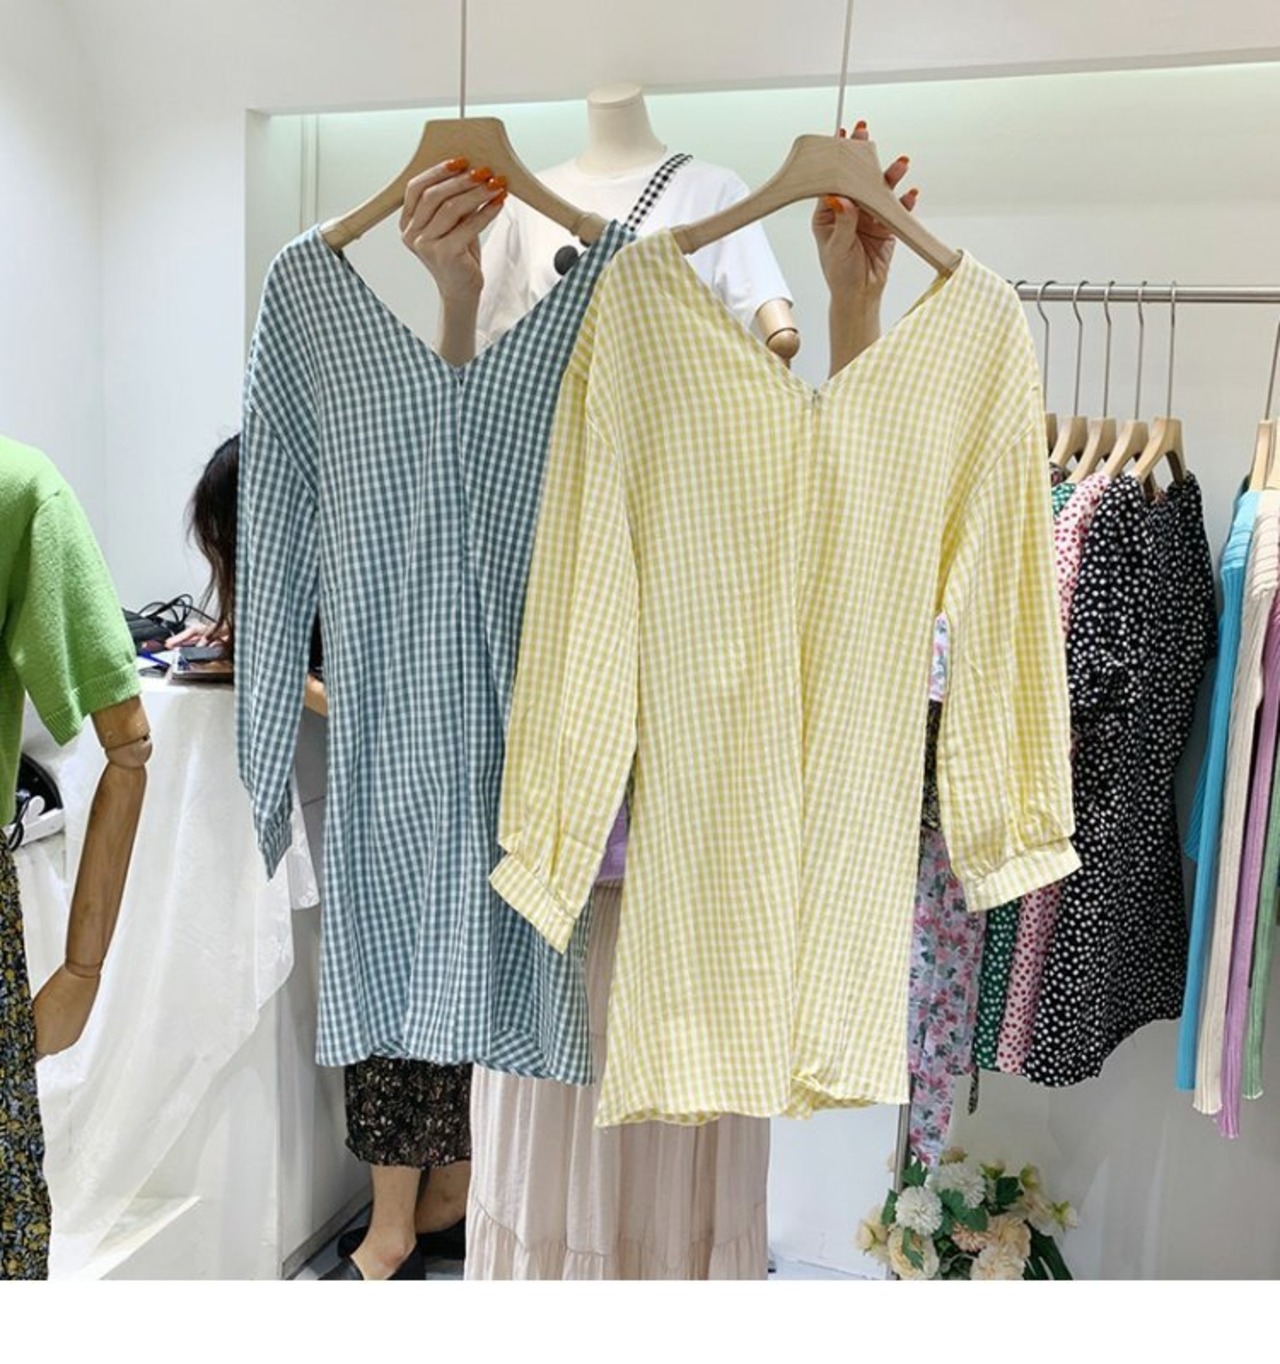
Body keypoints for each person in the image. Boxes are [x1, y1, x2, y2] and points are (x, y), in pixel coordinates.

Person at [178, 161, 507, 1280]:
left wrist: (284, 680)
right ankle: (436, 1201)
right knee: (424, 995)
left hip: (413, 780)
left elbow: (365, 672)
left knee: (398, 1004)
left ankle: (396, 1223)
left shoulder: (353, 514)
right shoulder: (355, 503)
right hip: (436, 776)